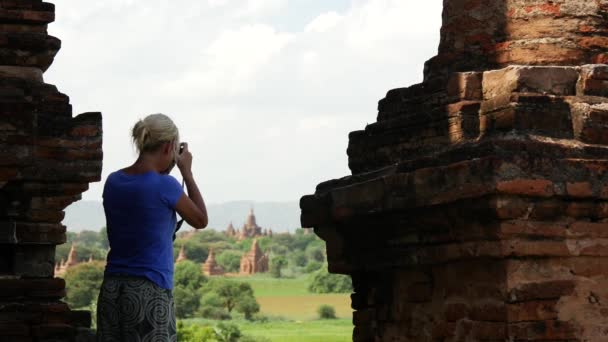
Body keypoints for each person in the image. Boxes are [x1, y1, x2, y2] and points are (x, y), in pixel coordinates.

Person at [96, 113, 208, 341]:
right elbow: (200, 220)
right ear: (169, 147)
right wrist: (186, 172)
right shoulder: (165, 185)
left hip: (112, 288)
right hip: (149, 288)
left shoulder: (114, 181)